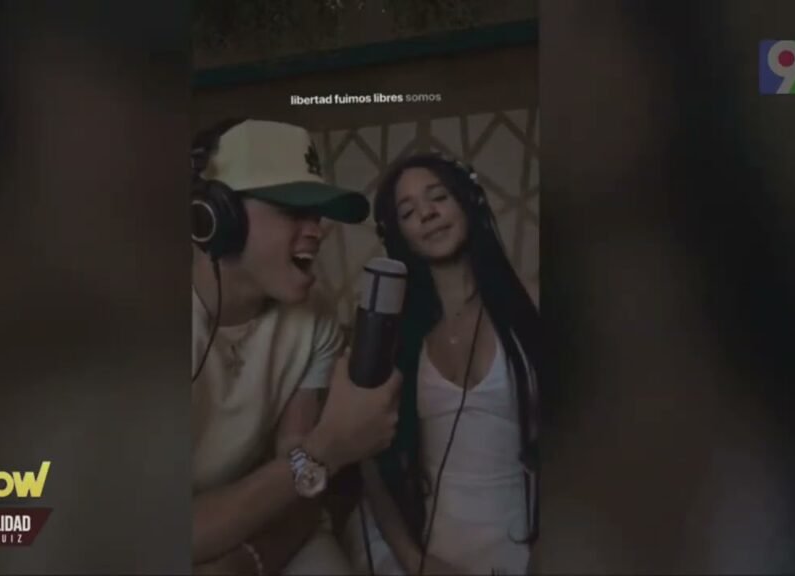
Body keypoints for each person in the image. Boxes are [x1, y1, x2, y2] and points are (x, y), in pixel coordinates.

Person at [191, 118, 402, 575]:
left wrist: (247, 562)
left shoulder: (315, 315)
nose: (317, 231)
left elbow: (301, 484)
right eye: (292, 209)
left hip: (269, 515)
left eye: (318, 213)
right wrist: (327, 448)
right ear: (214, 216)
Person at [342, 153, 542, 575]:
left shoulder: (532, 303)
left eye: (438, 197)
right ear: (398, 234)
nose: (427, 214)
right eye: (408, 211)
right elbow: (369, 461)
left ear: (470, 201)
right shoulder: (398, 336)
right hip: (433, 553)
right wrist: (414, 562)